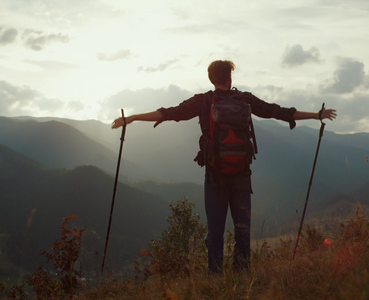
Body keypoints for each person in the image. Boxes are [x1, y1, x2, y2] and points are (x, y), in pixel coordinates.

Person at [112, 60, 337, 274]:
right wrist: (316, 115)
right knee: (242, 229)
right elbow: (277, 111)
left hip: (215, 175)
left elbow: (169, 113)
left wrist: (131, 118)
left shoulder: (202, 101)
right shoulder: (245, 99)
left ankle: (216, 276)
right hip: (242, 173)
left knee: (215, 231)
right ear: (230, 77)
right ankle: (242, 274)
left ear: (210, 79)